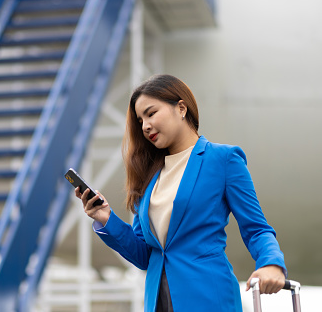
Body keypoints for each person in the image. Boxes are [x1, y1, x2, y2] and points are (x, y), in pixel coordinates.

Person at [74, 74, 287, 311]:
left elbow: (256, 228)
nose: (145, 126)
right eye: (140, 120)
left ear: (181, 108)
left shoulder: (223, 159)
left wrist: (271, 264)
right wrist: (106, 218)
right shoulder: (150, 177)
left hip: (208, 298)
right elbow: (146, 256)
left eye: (151, 113)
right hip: (158, 301)